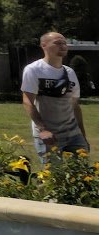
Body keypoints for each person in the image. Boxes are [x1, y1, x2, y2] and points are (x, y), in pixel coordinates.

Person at [22, 31, 89, 164]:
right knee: (53, 179)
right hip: (49, 136)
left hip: (74, 135)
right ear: (44, 45)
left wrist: (82, 134)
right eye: (58, 43)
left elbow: (75, 106)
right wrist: (43, 129)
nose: (63, 46)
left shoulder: (70, 73)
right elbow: (28, 101)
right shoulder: (34, 70)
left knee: (82, 177)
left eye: (64, 43)